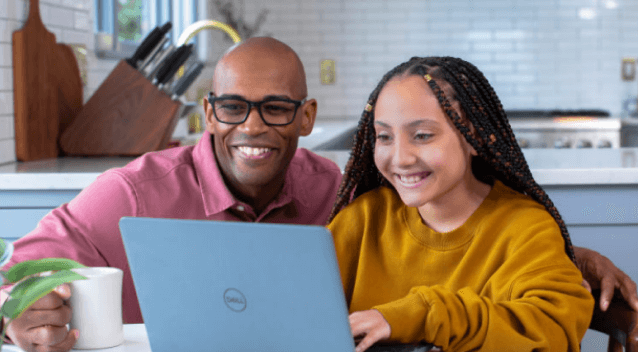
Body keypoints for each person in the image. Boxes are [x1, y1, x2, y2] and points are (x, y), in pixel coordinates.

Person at [0, 39, 636, 351]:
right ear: (208, 112)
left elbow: (489, 247)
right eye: (232, 107)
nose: (251, 126)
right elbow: (17, 272)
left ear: (306, 119)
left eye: (275, 108)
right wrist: (15, 309)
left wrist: (569, 256)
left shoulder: (341, 195)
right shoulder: (132, 192)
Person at [326, 56, 592, 352]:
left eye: (423, 135)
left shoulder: (525, 228)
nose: (400, 158)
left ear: (472, 135)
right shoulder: (362, 218)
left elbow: (551, 331)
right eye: (385, 136)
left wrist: (422, 315)